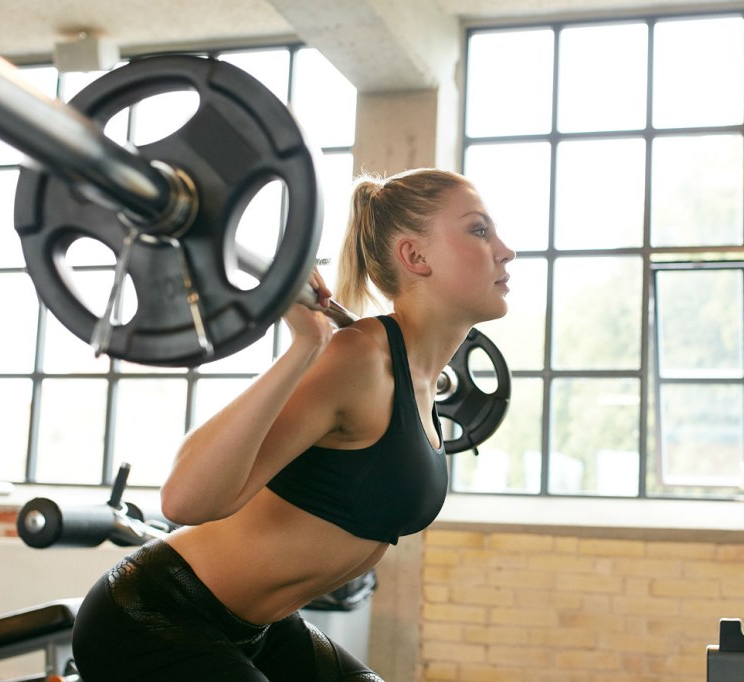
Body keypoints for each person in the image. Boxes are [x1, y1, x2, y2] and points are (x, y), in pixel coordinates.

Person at [71, 168, 515, 681]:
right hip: (158, 615)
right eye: (480, 231)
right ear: (415, 257)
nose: (505, 250)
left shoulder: (419, 383)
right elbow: (184, 501)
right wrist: (307, 347)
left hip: (264, 628)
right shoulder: (361, 360)